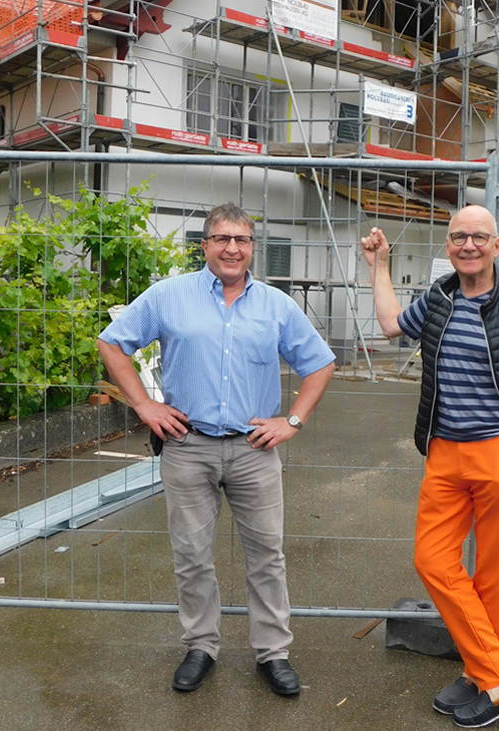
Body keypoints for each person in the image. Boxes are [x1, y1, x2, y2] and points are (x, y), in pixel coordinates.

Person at [97, 202, 336, 697]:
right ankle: (201, 646)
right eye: (222, 239)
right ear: (204, 245)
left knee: (267, 555)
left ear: (252, 248)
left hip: (253, 451)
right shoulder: (168, 297)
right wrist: (145, 407)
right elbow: (112, 344)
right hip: (187, 446)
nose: (232, 248)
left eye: (242, 240)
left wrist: (292, 420)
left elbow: (319, 363)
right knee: (191, 554)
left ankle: (273, 653)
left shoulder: (275, 305)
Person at [360, 204, 499, 728]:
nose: (467, 245)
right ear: (448, 246)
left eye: (478, 237)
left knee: (495, 575)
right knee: (433, 560)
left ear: (497, 246)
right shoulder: (439, 299)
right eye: (458, 237)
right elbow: (387, 325)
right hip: (445, 452)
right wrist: (379, 265)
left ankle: (482, 678)